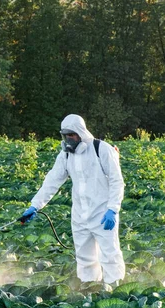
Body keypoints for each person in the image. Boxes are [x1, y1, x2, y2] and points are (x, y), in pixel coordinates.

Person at [22, 114, 125, 285]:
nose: (68, 139)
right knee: (85, 259)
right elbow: (52, 182)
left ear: (80, 132)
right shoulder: (66, 155)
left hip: (102, 213)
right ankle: (89, 289)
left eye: (71, 135)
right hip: (80, 215)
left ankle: (116, 289)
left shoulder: (102, 149)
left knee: (110, 256)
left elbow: (117, 181)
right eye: (65, 135)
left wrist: (112, 209)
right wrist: (35, 206)